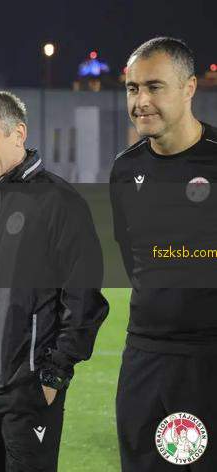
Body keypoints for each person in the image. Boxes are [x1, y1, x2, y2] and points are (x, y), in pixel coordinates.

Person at [0, 90, 109, 471]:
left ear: (18, 133)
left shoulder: (60, 202)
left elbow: (83, 298)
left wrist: (55, 374)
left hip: (28, 392)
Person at [111, 37, 217, 471]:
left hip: (208, 358)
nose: (141, 101)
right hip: (144, 356)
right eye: (133, 88)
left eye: (154, 87)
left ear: (189, 87)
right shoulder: (125, 168)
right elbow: (130, 256)